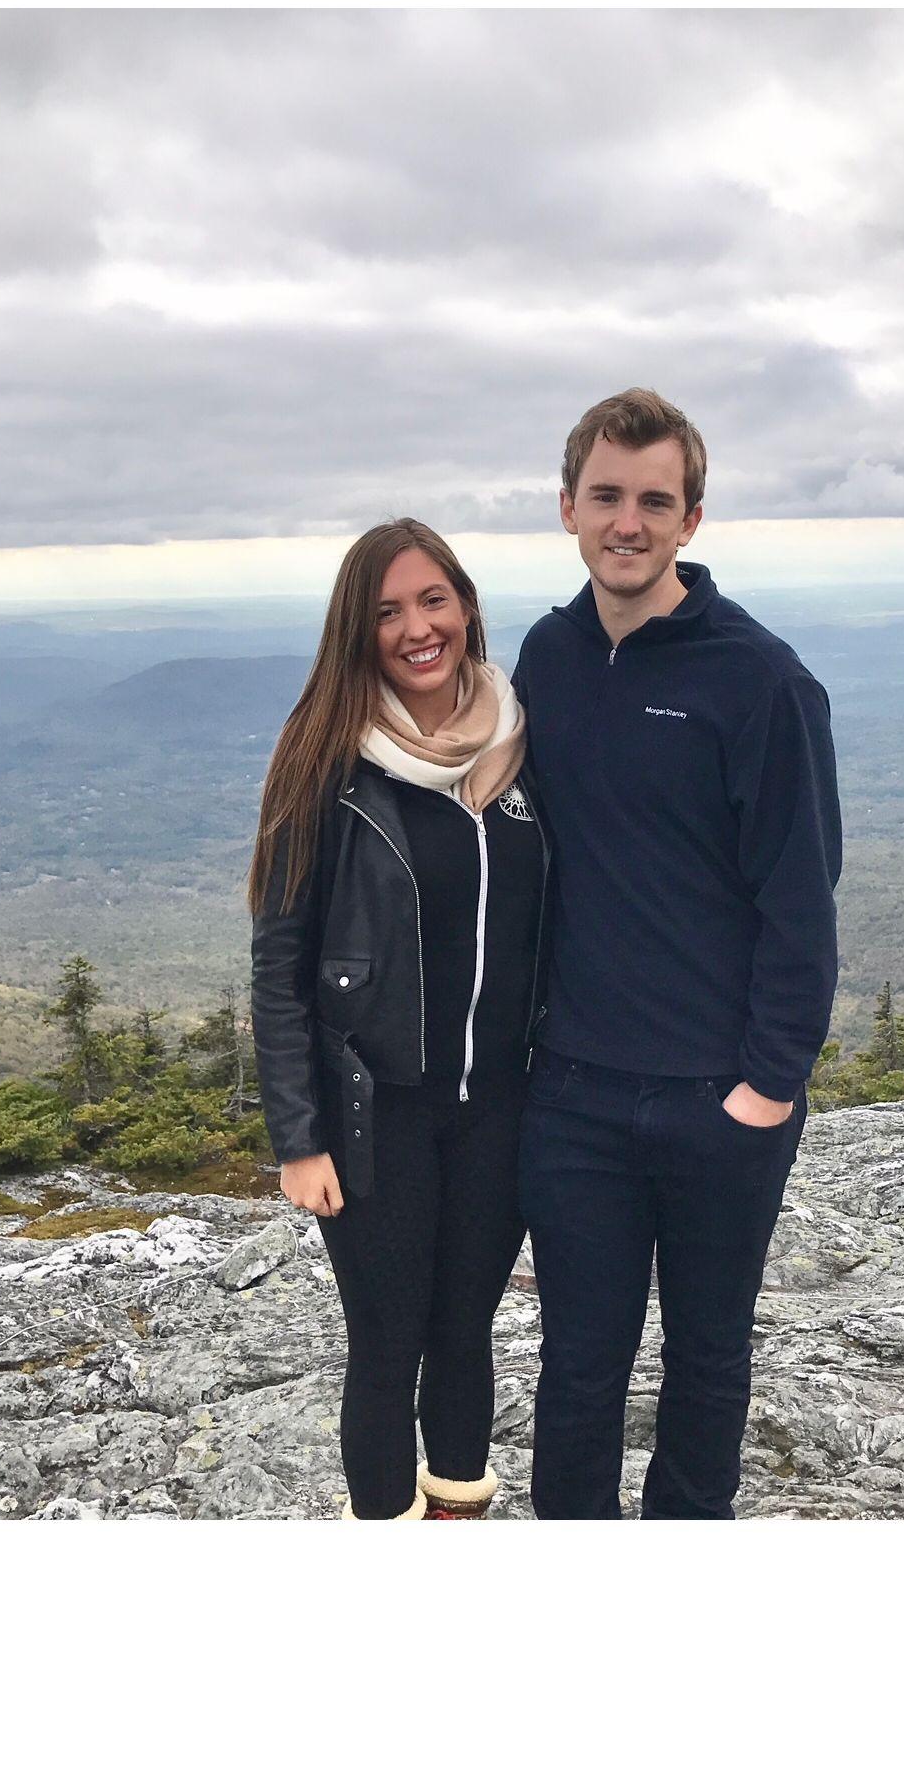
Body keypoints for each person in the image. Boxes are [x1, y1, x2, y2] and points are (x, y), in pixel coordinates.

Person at [513, 389, 842, 1520]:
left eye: (656, 500)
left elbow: (801, 896)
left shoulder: (760, 681)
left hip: (718, 1098)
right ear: (568, 507)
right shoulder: (546, 657)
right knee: (578, 1372)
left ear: (692, 522)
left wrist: (766, 1087)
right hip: (573, 1097)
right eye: (606, 495)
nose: (629, 521)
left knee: (707, 1365)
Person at [250, 517, 545, 1520]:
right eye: (388, 612)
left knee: (465, 1334)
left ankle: (458, 1521)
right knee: (388, 1344)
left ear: (465, 605)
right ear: (357, 631)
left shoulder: (521, 744)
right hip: (376, 1119)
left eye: (433, 601)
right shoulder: (329, 759)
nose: (417, 628)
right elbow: (280, 959)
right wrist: (298, 1138)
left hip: (501, 1108)